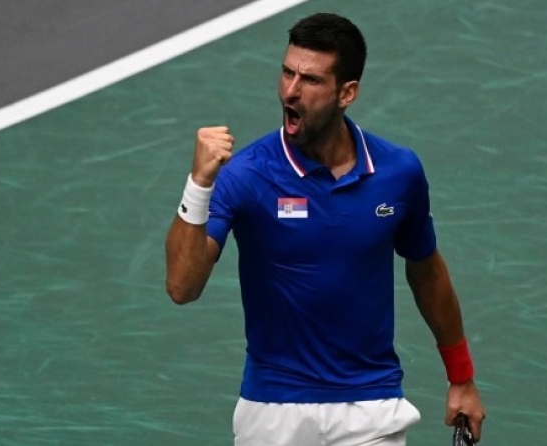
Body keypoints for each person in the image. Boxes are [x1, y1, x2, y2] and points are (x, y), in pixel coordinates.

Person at [165, 12, 486, 446]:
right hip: (272, 409)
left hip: (370, 406)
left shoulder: (398, 172)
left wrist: (461, 377)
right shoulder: (246, 175)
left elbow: (426, 271)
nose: (291, 91)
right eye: (287, 73)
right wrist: (199, 183)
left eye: (311, 80)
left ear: (346, 93)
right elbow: (182, 286)